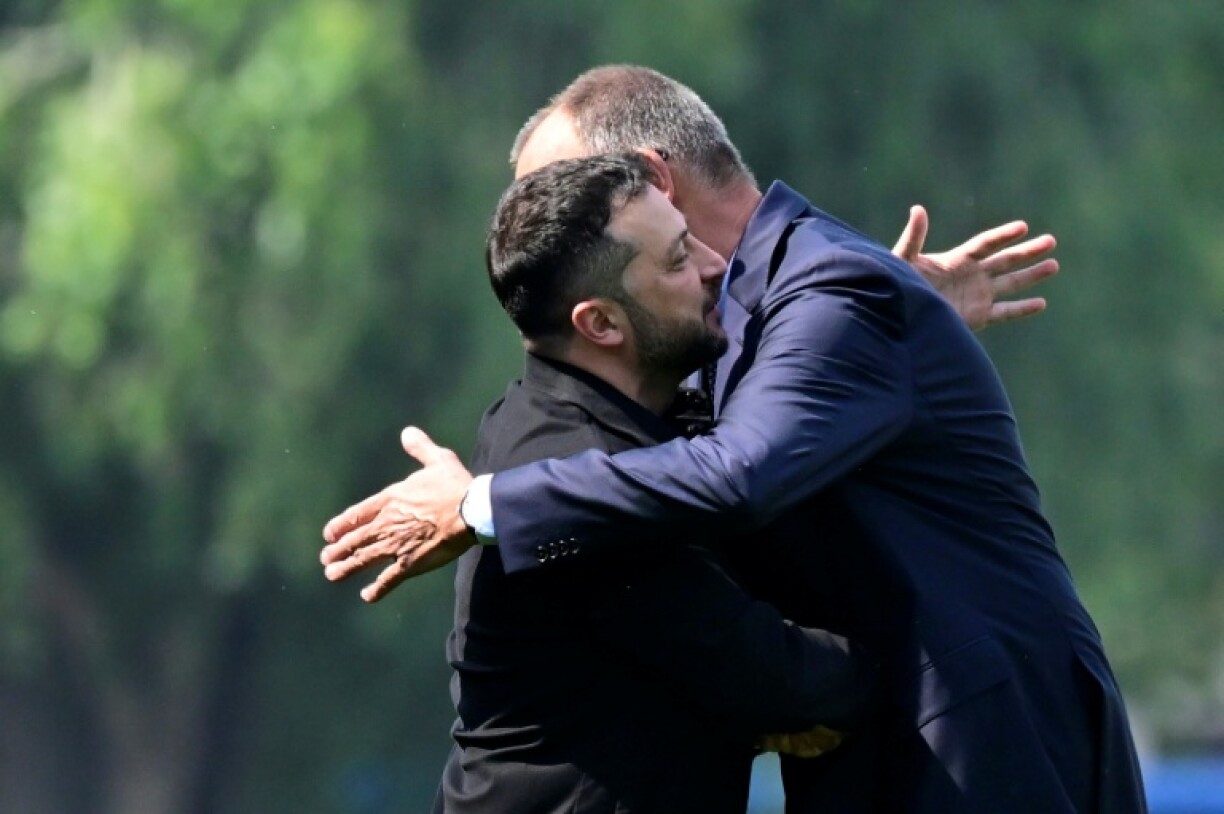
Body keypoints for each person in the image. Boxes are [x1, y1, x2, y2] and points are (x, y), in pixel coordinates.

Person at [322, 66, 1147, 812]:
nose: (544, 234)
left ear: (651, 178)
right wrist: (900, 314)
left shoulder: (830, 297)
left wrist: (478, 503)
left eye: (571, 198)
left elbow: (737, 475)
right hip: (908, 745)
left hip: (983, 740)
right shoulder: (789, 308)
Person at [435, 154, 865, 814]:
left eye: (690, 239)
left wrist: (861, 330)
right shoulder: (572, 476)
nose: (715, 266)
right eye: (675, 261)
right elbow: (789, 683)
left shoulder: (581, 429)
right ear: (600, 324)